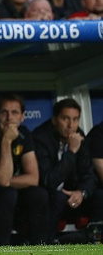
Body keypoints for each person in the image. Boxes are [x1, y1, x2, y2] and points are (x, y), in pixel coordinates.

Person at [0, 93, 49, 245]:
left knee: (39, 194)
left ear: (23, 117)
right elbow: (3, 180)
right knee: (8, 193)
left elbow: (33, 178)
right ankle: (3, 248)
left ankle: (40, 247)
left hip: (10, 194)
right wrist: (6, 140)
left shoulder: (25, 134)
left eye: (15, 113)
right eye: (4, 112)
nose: (9, 118)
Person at [32, 98, 103, 243]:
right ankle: (47, 244)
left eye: (75, 120)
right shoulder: (41, 138)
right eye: (66, 119)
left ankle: (95, 242)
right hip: (49, 197)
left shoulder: (78, 136)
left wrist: (81, 192)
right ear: (54, 120)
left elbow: (89, 175)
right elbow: (49, 180)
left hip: (73, 197)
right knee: (56, 197)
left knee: (100, 196)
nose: (71, 125)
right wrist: (70, 152)